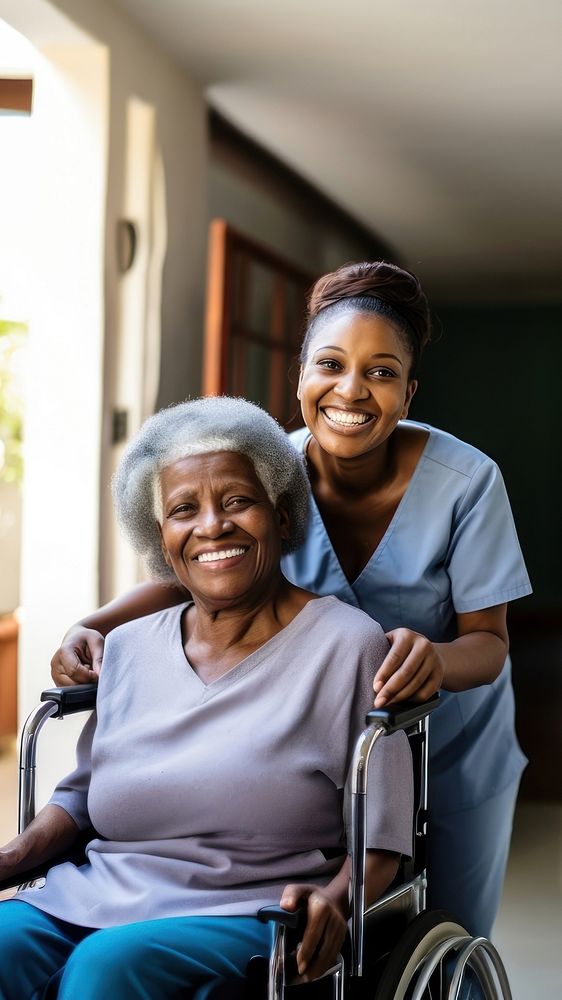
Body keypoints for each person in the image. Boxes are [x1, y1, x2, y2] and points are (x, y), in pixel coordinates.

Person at [51, 261, 532, 938]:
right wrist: (88, 625)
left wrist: (436, 662)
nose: (351, 390)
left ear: (409, 391)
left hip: (451, 744)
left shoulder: (467, 482)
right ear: (300, 376)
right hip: (317, 741)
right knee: (324, 929)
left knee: (445, 925)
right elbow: (189, 563)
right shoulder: (266, 467)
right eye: (330, 365)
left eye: (381, 372)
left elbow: (489, 643)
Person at [0, 396, 413, 1000]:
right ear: (161, 537)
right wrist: (14, 856)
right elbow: (84, 797)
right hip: (100, 890)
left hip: (249, 910)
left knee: (106, 970)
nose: (212, 526)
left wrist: (335, 902)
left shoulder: (347, 645)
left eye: (238, 501)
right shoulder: (132, 648)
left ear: (279, 513)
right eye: (183, 509)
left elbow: (383, 838)